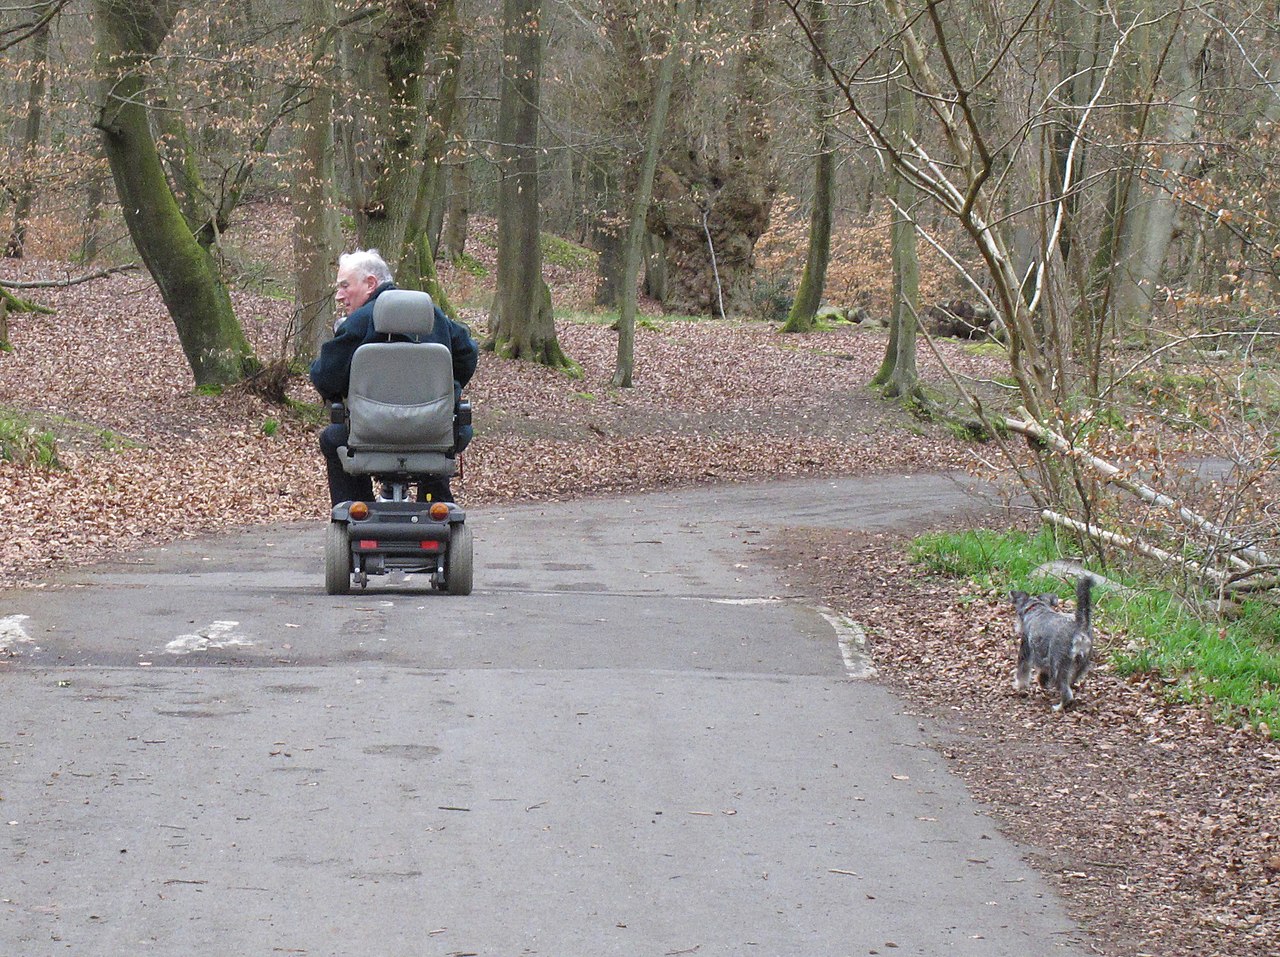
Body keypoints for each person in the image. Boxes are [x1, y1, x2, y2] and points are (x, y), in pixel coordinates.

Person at [310, 249, 478, 506]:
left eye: (345, 285)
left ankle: (357, 510)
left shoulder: (357, 323)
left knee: (333, 438)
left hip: (369, 434)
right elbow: (467, 353)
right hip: (433, 433)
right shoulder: (433, 316)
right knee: (441, 436)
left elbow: (325, 376)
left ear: (370, 284)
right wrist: (446, 393)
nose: (339, 295)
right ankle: (436, 504)